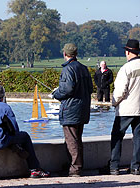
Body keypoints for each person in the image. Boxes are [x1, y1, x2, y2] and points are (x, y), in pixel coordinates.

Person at [0, 84, 50, 178]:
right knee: (24, 136)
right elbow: (15, 128)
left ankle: (13, 146)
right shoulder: (5, 107)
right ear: (3, 96)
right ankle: (35, 169)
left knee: (3, 135)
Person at [52, 43, 93, 177]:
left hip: (70, 109)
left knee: (72, 141)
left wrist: (56, 94)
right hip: (82, 109)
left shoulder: (68, 69)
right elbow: (90, 89)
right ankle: (73, 165)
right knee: (76, 139)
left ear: (65, 54)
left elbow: (67, 89)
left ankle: (75, 169)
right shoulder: (84, 68)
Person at [109, 39, 140, 175]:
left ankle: (114, 166)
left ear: (128, 52)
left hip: (126, 108)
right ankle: (135, 166)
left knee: (117, 136)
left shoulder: (126, 68)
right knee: (138, 137)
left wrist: (114, 103)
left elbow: (120, 91)